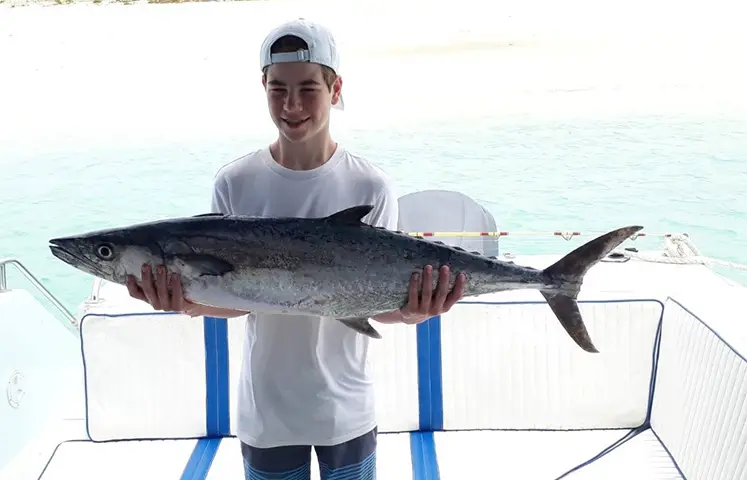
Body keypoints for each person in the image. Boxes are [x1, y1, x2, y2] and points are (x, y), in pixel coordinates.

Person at [125, 18, 467, 480]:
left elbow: (375, 303)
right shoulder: (235, 183)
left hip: (346, 408)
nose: (291, 105)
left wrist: (411, 312)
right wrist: (186, 304)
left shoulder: (369, 185)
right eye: (277, 89)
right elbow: (238, 300)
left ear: (335, 88)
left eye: (308, 89)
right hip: (266, 412)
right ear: (262, 87)